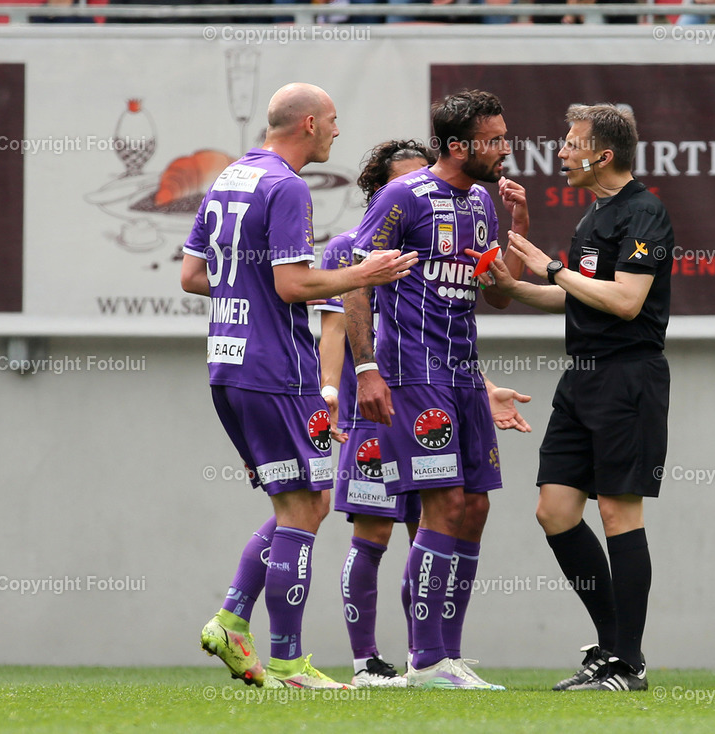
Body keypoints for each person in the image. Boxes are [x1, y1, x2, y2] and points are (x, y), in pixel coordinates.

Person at [180, 82, 417, 690]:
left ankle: (233, 620)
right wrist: (361, 273)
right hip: (276, 370)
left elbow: (192, 275)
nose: (339, 132)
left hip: (227, 366)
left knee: (302, 504)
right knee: (304, 508)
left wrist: (246, 292)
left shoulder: (231, 177)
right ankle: (287, 663)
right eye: (334, 121)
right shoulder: (286, 186)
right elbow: (291, 286)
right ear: (308, 123)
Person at [478, 102, 673, 692]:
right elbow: (577, 296)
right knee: (555, 512)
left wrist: (552, 269)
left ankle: (628, 663)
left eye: (571, 142)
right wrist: (515, 284)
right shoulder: (593, 216)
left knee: (618, 512)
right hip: (581, 380)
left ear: (603, 154)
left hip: (628, 378)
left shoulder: (645, 213)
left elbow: (625, 301)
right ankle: (612, 649)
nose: (561, 151)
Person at [343, 89, 531, 690]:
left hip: (464, 373)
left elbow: (498, 295)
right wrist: (366, 368)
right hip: (413, 370)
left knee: (475, 506)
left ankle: (446, 655)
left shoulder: (480, 201)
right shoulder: (404, 196)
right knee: (443, 503)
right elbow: (357, 278)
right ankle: (423, 660)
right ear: (458, 146)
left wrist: (517, 228)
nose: (506, 147)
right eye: (495, 138)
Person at [316, 139, 432, 688]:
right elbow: (334, 329)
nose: (413, 193)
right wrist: (330, 391)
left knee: (429, 535)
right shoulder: (346, 248)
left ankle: (426, 659)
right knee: (372, 538)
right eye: (400, 184)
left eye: (421, 180)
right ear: (376, 191)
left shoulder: (432, 250)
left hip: (427, 412)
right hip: (374, 416)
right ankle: (366, 662)